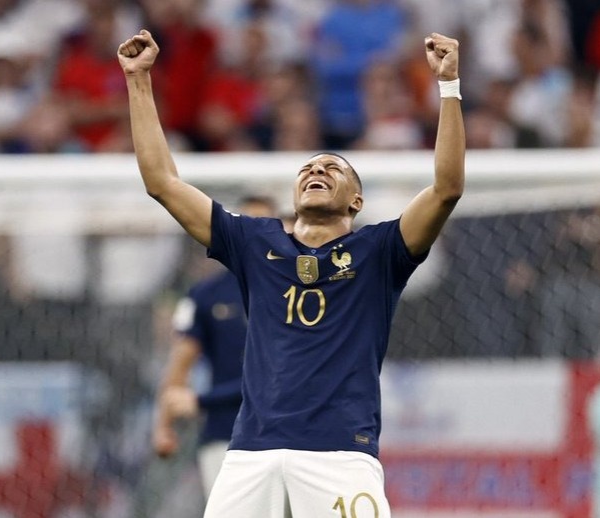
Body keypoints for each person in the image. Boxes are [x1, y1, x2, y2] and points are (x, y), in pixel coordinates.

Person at [118, 28, 464, 518]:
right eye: (307, 169)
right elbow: (163, 183)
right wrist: (138, 81)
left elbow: (446, 188)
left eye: (332, 167)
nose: (315, 170)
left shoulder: (380, 249)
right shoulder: (254, 242)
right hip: (249, 455)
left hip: (340, 454)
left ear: (357, 201)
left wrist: (448, 87)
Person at [152, 195, 278, 499]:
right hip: (226, 432)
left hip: (288, 431)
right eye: (247, 224)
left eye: (265, 224)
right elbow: (181, 361)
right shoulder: (206, 294)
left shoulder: (299, 288)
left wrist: (199, 401)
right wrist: (163, 426)